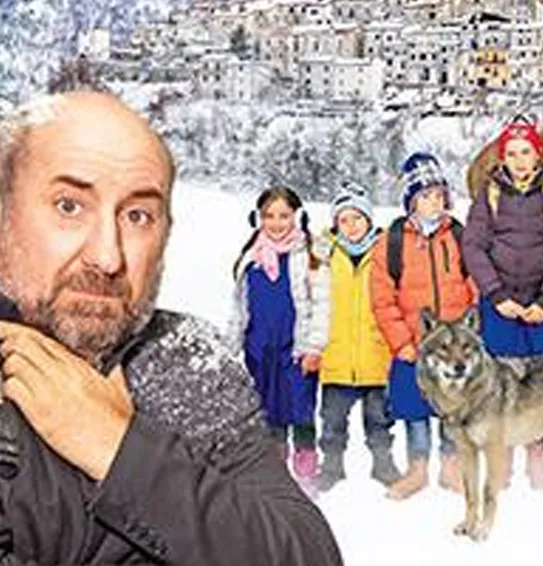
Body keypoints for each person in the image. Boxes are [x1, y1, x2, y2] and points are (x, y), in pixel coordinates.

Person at [0, 91, 341, 563]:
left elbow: (306, 554)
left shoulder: (182, 363)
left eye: (138, 216)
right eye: (68, 206)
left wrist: (121, 450)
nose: (107, 256)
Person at [461, 117, 543, 490]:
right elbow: (474, 247)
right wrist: (495, 295)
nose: (519, 160)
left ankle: (536, 457)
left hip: (539, 304)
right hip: (501, 305)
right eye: (511, 154)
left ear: (537, 155)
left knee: (539, 383)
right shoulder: (489, 193)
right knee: (498, 380)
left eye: (526, 152)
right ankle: (502, 458)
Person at [370, 152, 472, 500]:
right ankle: (417, 469)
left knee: (453, 407)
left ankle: (451, 466)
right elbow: (382, 299)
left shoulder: (458, 235)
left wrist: (468, 337)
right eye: (426, 196)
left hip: (452, 346)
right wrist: (402, 343)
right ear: (412, 200)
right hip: (413, 344)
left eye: (439, 195)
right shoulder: (391, 241)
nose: (435, 202)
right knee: (415, 409)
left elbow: (474, 286)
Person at [232, 186, 328, 496]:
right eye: (269, 216)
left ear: (296, 216)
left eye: (283, 215)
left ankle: (305, 473)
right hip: (260, 350)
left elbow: (323, 306)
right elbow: (239, 307)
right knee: (268, 414)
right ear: (257, 219)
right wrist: (233, 346)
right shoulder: (251, 257)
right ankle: (276, 474)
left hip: (296, 351)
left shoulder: (309, 256)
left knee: (299, 411)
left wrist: (314, 348)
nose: (276, 222)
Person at [312, 187, 400, 492]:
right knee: (332, 421)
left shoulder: (385, 251)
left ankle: (383, 463)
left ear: (369, 219)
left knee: (379, 419)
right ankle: (332, 466)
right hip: (336, 355)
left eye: (357, 218)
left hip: (376, 354)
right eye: (344, 220)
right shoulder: (325, 253)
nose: (351, 226)